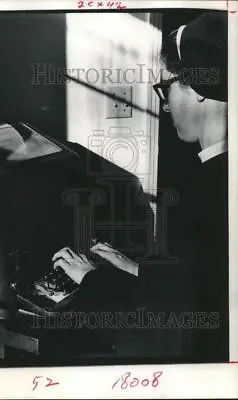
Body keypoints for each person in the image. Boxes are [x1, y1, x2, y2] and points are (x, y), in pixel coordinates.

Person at [52, 11, 229, 362]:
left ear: (196, 87)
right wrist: (134, 267)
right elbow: (202, 281)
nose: (163, 105)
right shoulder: (218, 175)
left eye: (164, 87)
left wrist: (90, 279)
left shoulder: (202, 194)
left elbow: (160, 331)